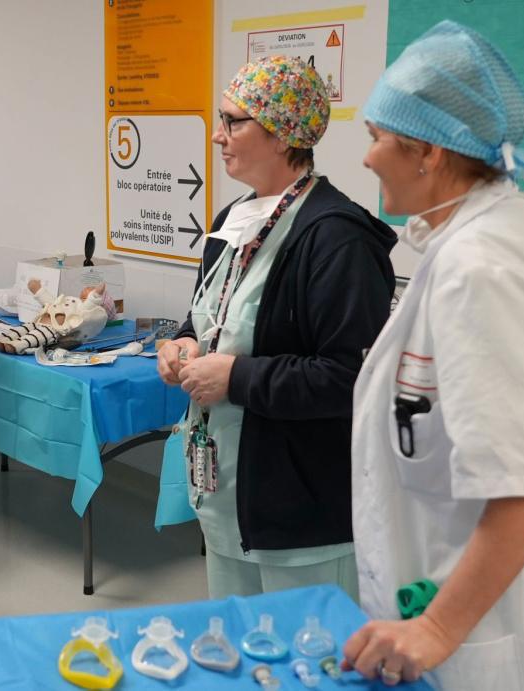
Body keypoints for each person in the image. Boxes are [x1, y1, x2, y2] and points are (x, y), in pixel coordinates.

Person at [344, 21, 524, 690]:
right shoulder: (514, 236)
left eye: (376, 139)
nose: (366, 160)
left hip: (487, 637)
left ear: (426, 152)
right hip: (478, 600)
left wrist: (439, 627)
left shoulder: (481, 269)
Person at [155, 56, 395, 600]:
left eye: (234, 121)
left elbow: (350, 377)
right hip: (226, 497)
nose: (218, 136)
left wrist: (236, 379)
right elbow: (208, 316)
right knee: (238, 658)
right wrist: (183, 342)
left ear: (285, 134)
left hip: (300, 516)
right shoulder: (233, 220)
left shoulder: (338, 239)